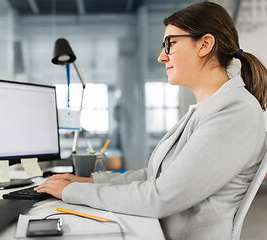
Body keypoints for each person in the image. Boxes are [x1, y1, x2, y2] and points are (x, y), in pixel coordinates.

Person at [35, 2, 267, 239]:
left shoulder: (235, 112)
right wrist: (88, 181)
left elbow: (160, 197)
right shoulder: (205, 109)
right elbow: (153, 176)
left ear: (205, 44)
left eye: (171, 44)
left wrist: (73, 191)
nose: (161, 57)